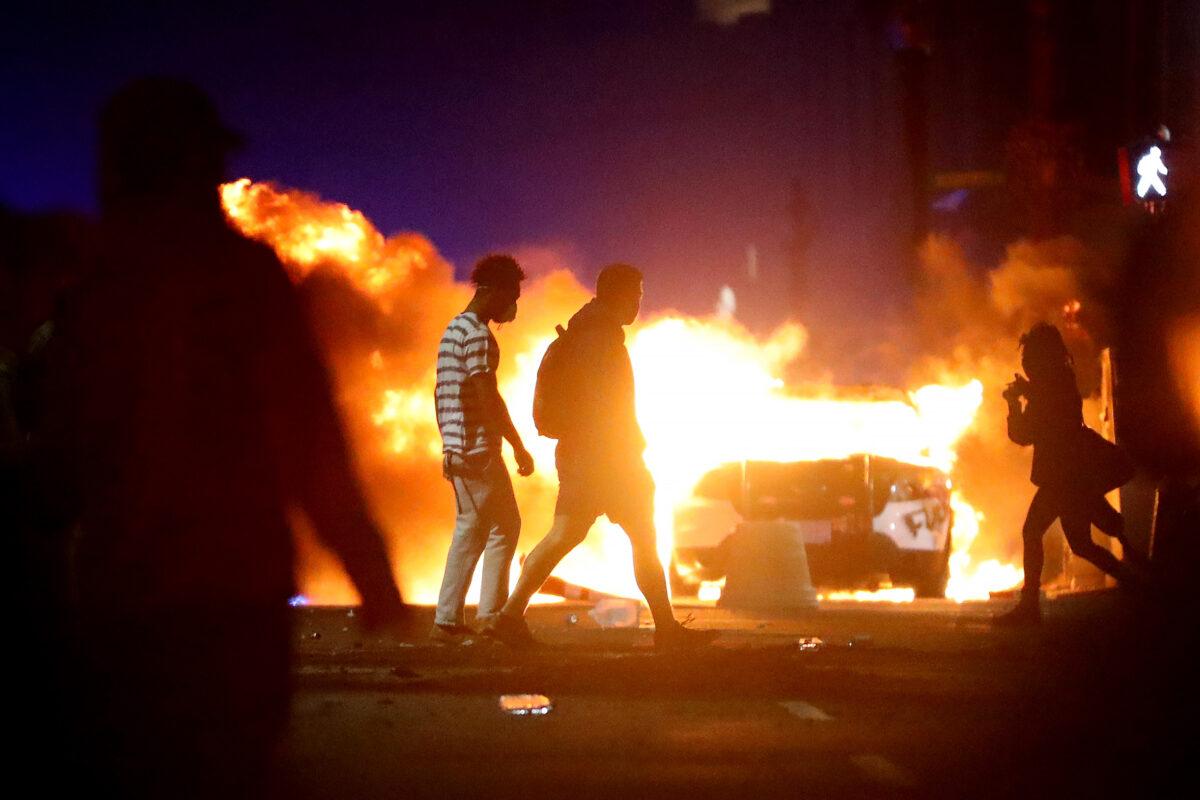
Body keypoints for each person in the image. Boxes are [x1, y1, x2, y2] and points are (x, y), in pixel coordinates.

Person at [39, 77, 409, 796]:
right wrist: (364, 561)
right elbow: (306, 430)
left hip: (128, 595)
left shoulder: (94, 288)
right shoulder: (239, 278)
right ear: (189, 164)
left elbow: (63, 458)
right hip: (232, 596)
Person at [485, 263, 717, 651]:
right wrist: (627, 451)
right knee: (640, 537)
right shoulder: (600, 339)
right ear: (622, 294)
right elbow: (604, 404)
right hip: (608, 458)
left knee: (568, 535)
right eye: (638, 295)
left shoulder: (585, 332)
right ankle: (667, 630)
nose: (640, 303)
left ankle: (509, 617)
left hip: (585, 455)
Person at [995, 322, 1145, 626]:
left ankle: (1029, 607)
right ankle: (1136, 586)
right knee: (1081, 544)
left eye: (1030, 356)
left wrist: (1013, 405)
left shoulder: (1050, 388)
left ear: (1042, 357)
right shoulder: (1059, 381)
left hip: (1061, 476)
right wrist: (1027, 391)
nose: (1026, 362)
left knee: (1032, 531)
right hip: (1070, 475)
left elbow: (1025, 434)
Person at [431, 254, 534, 643]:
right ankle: (483, 617)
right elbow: (486, 394)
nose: (515, 305)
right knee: (500, 528)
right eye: (513, 294)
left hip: (459, 449)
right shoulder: (476, 335)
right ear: (492, 291)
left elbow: (440, 392)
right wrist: (515, 445)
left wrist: (448, 444)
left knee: (482, 528)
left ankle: (463, 617)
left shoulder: (452, 330)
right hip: (477, 450)